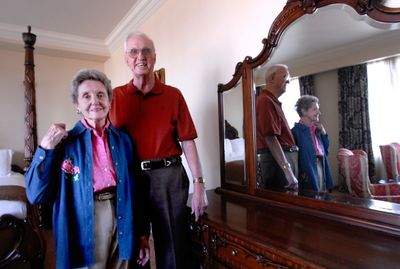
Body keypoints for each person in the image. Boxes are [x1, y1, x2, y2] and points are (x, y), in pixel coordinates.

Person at [25, 69, 149, 269]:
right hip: (85, 215)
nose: (95, 101)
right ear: (77, 105)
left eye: (101, 95)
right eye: (86, 96)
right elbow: (34, 195)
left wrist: (143, 232)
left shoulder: (123, 140)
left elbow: (138, 190)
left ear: (109, 100)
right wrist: (45, 148)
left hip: (122, 210)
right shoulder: (64, 143)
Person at [109, 32, 208, 269]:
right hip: (132, 178)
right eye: (133, 51)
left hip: (169, 176)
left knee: (173, 243)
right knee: (134, 245)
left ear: (154, 57)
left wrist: (199, 184)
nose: (140, 56)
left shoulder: (173, 95)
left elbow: (188, 141)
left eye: (146, 51)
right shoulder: (115, 97)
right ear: (126, 59)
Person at [256, 64, 298, 190]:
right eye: (285, 76)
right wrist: (287, 170)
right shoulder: (265, 101)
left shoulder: (271, 101)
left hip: (281, 159)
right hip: (277, 162)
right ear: (272, 78)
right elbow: (270, 138)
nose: (289, 81)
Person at [291, 95, 333, 192]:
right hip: (308, 171)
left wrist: (323, 133)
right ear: (304, 111)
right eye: (315, 109)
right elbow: (295, 158)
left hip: (321, 165)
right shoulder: (295, 132)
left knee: (322, 194)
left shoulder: (317, 130)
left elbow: (326, 151)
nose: (319, 112)